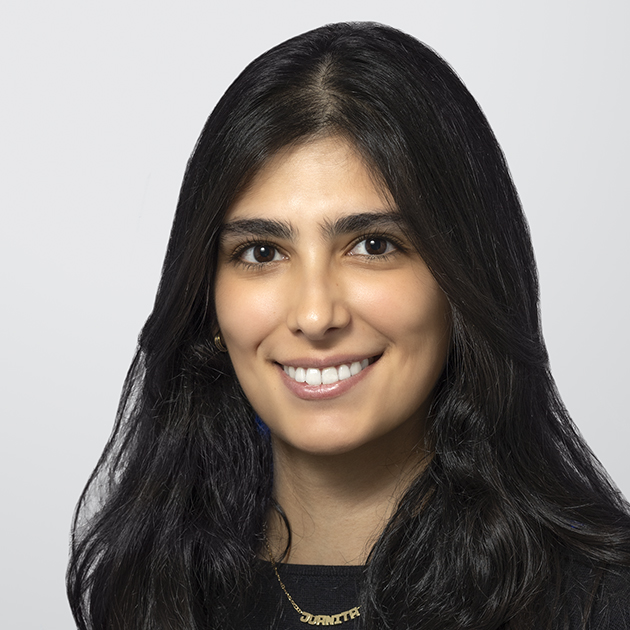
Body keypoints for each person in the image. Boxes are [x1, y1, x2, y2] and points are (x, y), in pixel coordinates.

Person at [67, 22, 630, 630]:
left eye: (372, 245)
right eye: (262, 252)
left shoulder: (601, 601)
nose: (315, 316)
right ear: (207, 301)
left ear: (463, 279)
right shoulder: (149, 593)